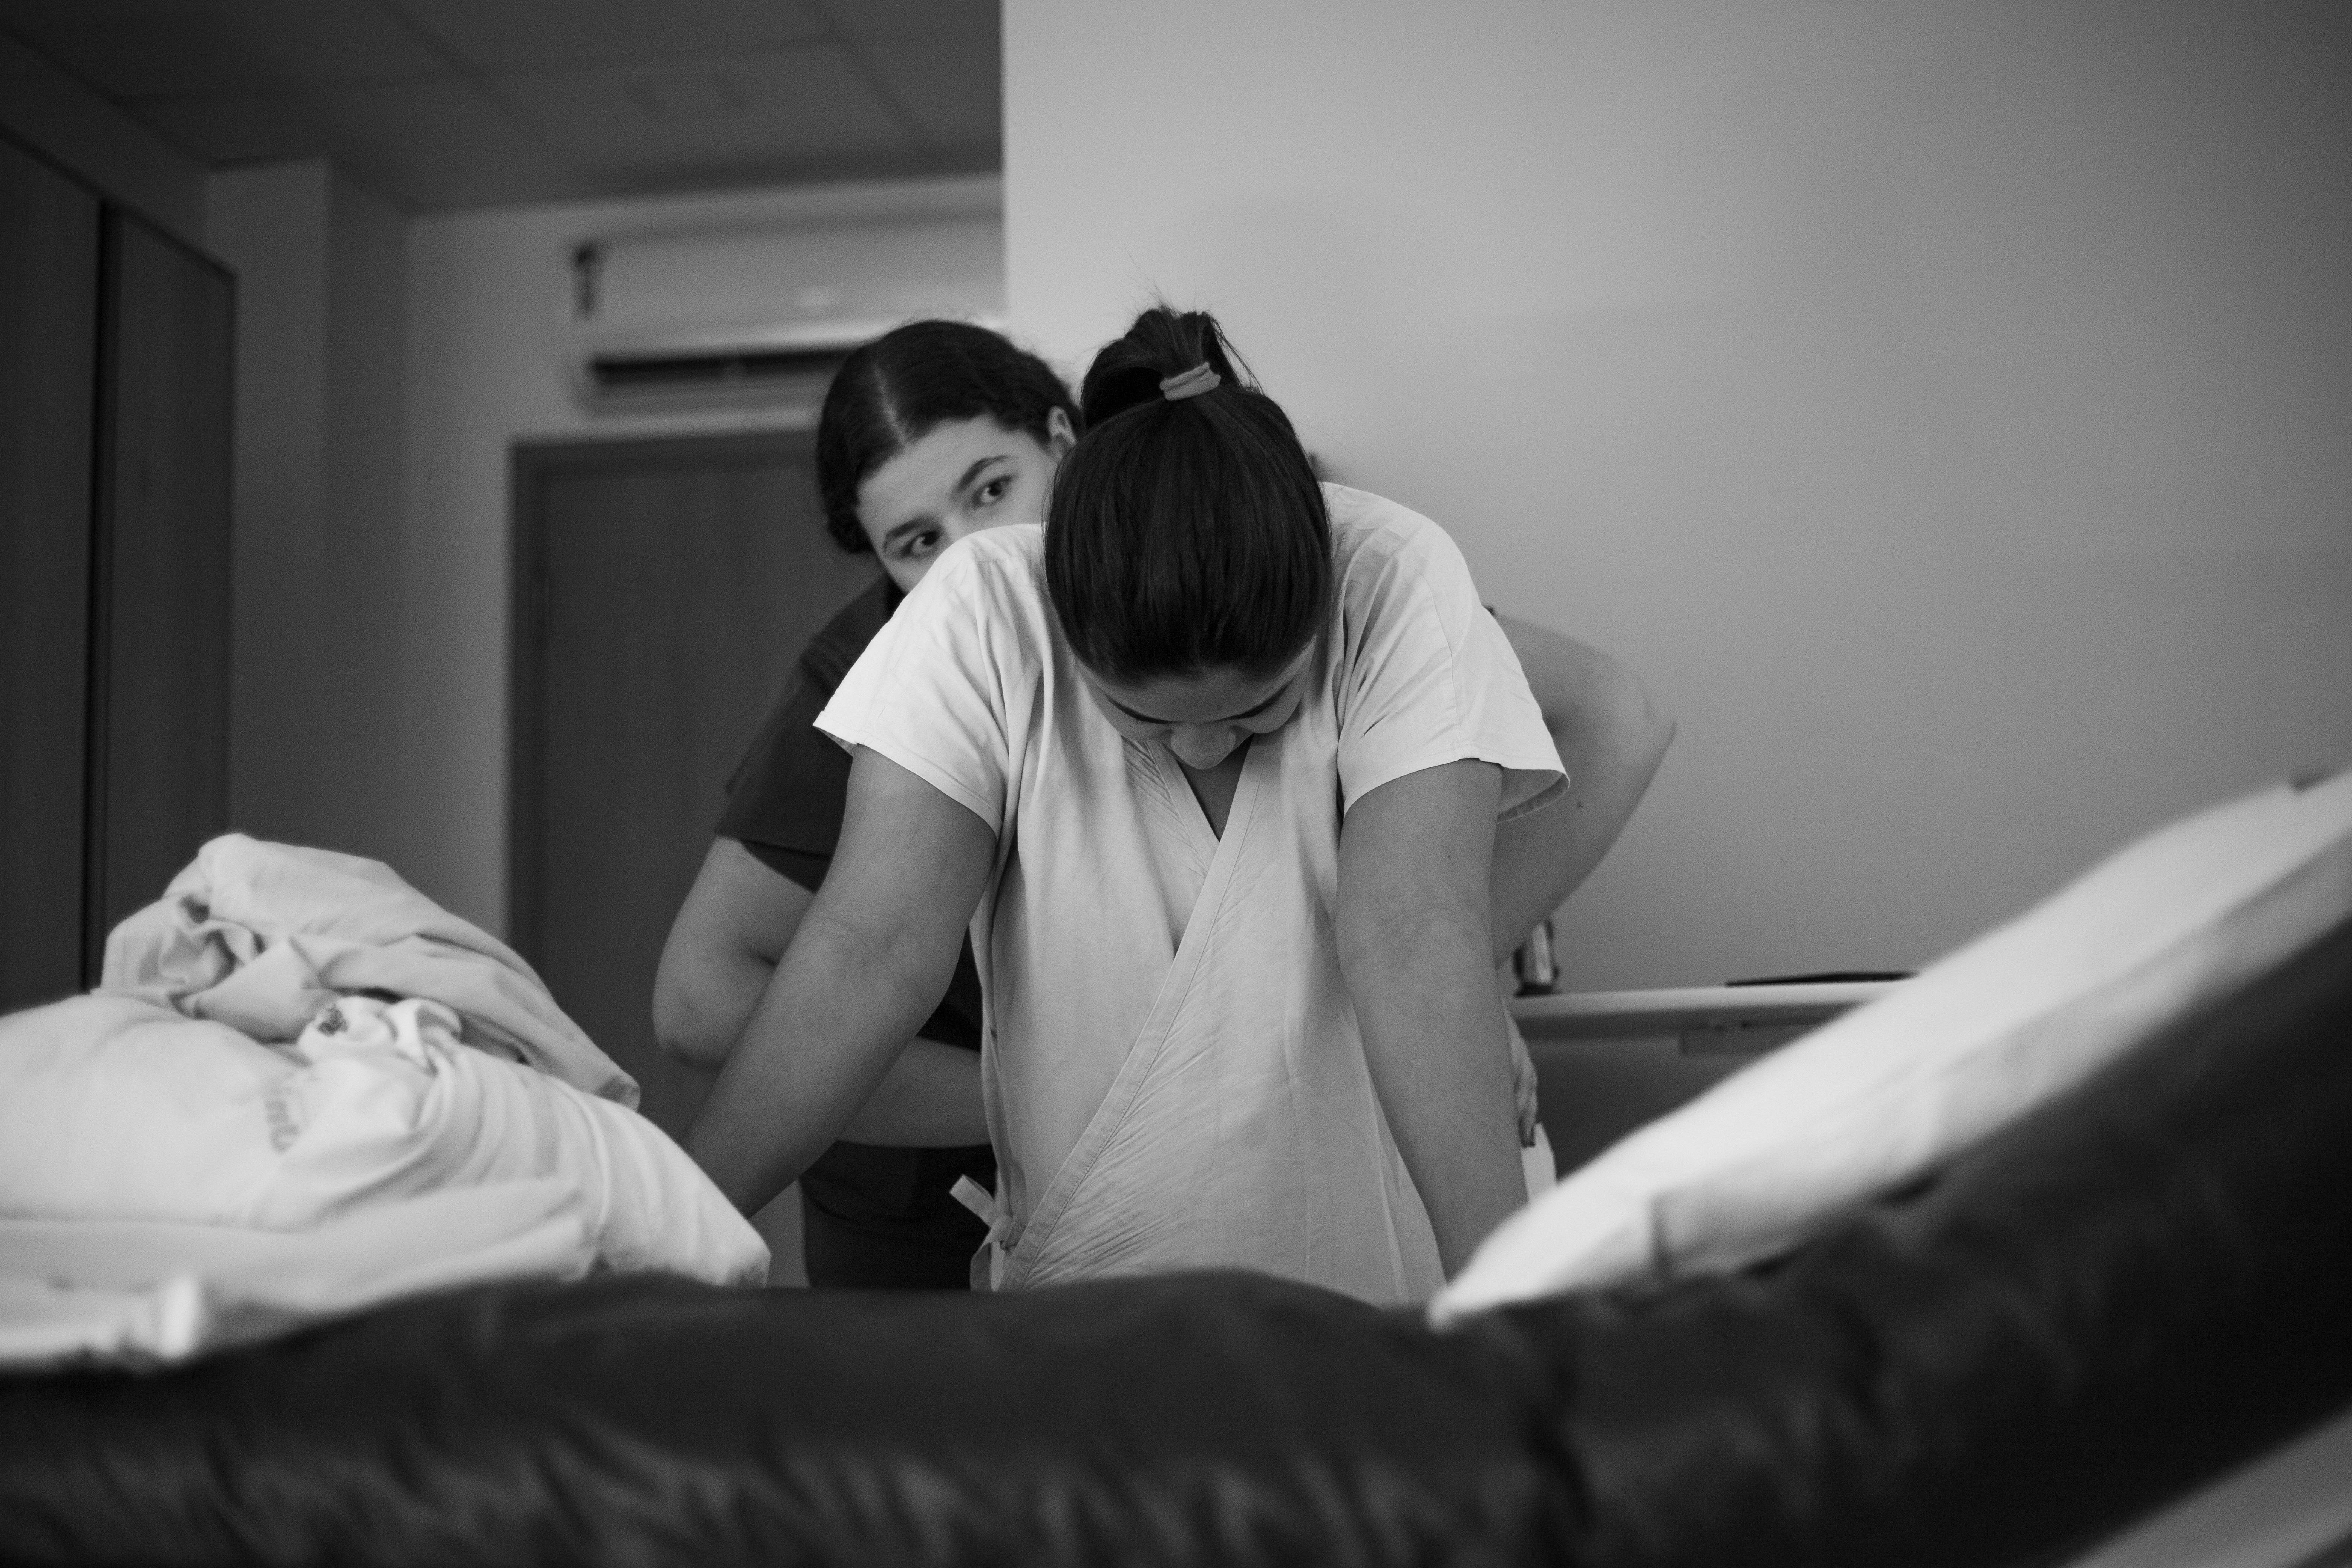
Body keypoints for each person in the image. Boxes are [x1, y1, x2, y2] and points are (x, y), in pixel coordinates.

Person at [683, 307, 1672, 1303]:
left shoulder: (1390, 580)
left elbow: (1416, 925)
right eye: (1140, 719)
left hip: (1377, 1263)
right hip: (1093, 1298)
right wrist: (674, 1237)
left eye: (1262, 709)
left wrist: (1510, 1302)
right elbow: (869, 947)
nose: (1202, 745)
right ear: (1064, 627)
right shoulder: (980, 614)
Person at [652, 321, 1075, 1288]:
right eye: (921, 543)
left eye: (992, 490)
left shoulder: (1185, 576)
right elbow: (700, 998)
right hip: (923, 1210)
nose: (972, 562)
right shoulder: (866, 674)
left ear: (1063, 440)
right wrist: (1037, 1093)